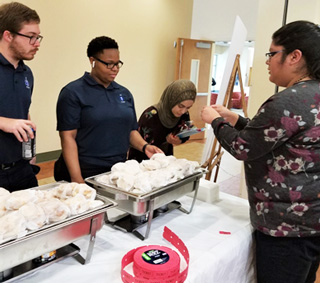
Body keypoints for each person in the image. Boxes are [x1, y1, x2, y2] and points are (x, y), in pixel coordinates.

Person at [201, 21, 320, 283]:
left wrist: (215, 121)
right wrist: (237, 120)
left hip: (285, 227)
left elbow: (244, 148)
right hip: (311, 221)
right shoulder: (313, 96)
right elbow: (279, 139)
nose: (267, 61)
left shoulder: (289, 100)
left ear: (294, 56)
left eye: (271, 53)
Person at [54, 36, 162, 183]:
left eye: (118, 64)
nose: (115, 69)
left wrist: (145, 147)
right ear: (93, 61)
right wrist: (77, 179)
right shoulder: (73, 93)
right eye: (109, 64)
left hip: (116, 170)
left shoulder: (124, 93)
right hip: (85, 171)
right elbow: (68, 138)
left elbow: (130, 131)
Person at [0, 2, 42, 192]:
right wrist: (4, 123)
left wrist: (30, 149)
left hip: (21, 168)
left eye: (38, 37)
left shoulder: (27, 73)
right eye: (31, 37)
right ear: (8, 35)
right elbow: (10, 122)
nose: (37, 44)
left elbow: (23, 112)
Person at [128, 79, 197, 162]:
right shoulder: (151, 115)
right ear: (172, 100)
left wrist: (177, 140)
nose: (183, 111)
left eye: (188, 107)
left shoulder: (184, 115)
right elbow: (138, 142)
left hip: (165, 159)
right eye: (180, 106)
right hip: (142, 161)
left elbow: (185, 135)